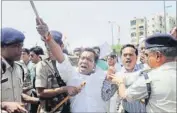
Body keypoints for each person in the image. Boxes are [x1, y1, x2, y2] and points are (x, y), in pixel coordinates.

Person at [35, 18, 109, 112]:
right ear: (78, 60)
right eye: (82, 58)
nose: (84, 61)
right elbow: (60, 57)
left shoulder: (103, 76)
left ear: (95, 64)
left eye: (89, 59)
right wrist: (47, 36)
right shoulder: (71, 74)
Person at [109, 34, 177, 112]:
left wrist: (120, 82)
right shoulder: (148, 72)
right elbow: (136, 75)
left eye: (147, 55)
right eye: (125, 55)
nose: (146, 59)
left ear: (158, 56)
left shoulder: (150, 78)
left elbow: (125, 96)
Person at [35, 30, 80, 113]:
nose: (50, 51)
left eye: (53, 47)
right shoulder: (42, 65)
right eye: (47, 47)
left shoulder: (72, 62)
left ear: (62, 46)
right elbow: (40, 93)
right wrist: (64, 89)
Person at [0, 27, 39, 113]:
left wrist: (37, 100)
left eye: (21, 45)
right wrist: (4, 105)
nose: (20, 50)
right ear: (2, 47)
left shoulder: (20, 68)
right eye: (15, 46)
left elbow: (17, 93)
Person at [107, 44, 145, 113]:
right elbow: (111, 97)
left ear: (136, 57)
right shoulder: (117, 75)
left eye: (130, 54)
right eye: (125, 55)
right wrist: (108, 81)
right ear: (121, 58)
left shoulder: (145, 70)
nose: (128, 57)